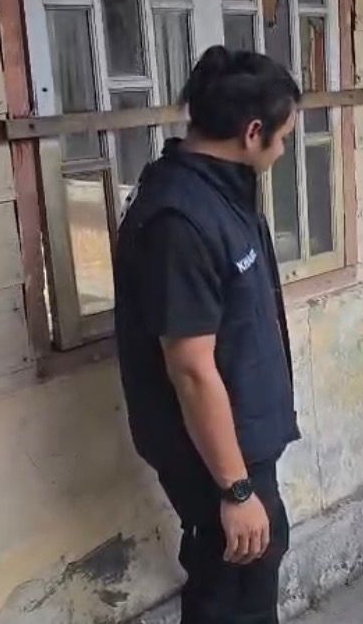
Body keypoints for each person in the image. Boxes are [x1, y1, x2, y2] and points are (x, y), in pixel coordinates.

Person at [113, 46, 302, 622]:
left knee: (251, 576)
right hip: (214, 459)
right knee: (232, 590)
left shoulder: (222, 193)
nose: (284, 149)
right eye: (283, 137)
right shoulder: (179, 219)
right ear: (252, 132)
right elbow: (191, 369)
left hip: (240, 444)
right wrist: (235, 490)